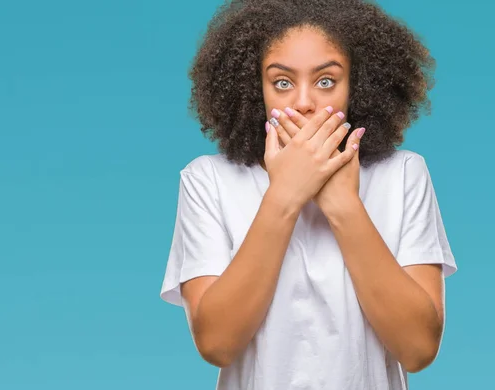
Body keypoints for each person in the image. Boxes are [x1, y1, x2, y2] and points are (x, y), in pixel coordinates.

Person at [160, 0, 457, 388]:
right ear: (255, 90)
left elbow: (418, 349)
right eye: (282, 82)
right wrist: (285, 195)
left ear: (358, 87)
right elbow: (217, 343)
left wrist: (343, 203)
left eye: (326, 81)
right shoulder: (208, 180)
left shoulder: (402, 175)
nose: (303, 102)